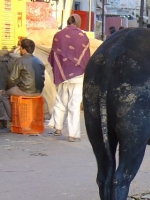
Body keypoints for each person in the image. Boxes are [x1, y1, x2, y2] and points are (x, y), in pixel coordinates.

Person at [48, 14, 91, 142]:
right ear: (78, 23)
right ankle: (73, 134)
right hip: (78, 75)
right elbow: (86, 58)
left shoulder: (58, 36)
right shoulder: (83, 37)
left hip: (61, 74)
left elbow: (53, 56)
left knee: (60, 100)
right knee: (74, 104)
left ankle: (58, 128)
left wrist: (59, 68)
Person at [0, 39, 45, 129]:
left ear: (24, 49)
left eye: (21, 48)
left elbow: (11, 79)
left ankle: (11, 118)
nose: (20, 50)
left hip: (26, 90)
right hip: (38, 91)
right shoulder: (39, 61)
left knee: (4, 95)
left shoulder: (20, 60)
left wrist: (6, 89)